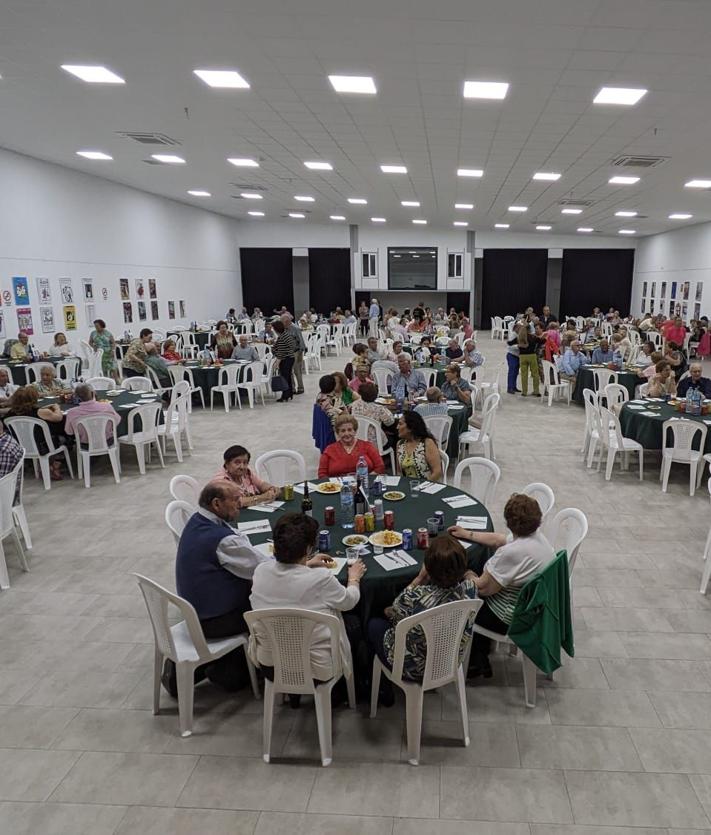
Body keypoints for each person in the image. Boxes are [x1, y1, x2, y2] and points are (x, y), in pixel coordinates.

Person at [170, 482, 272, 694]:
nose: (240, 505)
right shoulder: (222, 541)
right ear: (216, 503)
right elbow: (264, 569)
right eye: (235, 500)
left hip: (196, 608)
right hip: (214, 619)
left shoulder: (197, 520)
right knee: (273, 608)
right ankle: (265, 670)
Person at [250, 513, 365, 688]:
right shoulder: (321, 578)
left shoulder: (260, 571)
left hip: (270, 664)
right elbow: (349, 602)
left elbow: (288, 577)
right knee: (355, 624)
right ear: (309, 549)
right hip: (316, 669)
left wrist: (307, 563)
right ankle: (347, 687)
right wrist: (354, 578)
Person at [449, 493, 555, 678]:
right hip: (534, 608)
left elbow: (483, 588)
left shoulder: (512, 553)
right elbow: (499, 539)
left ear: (509, 522)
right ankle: (480, 654)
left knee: (460, 591)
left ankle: (471, 659)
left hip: (510, 618)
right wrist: (468, 534)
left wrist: (465, 573)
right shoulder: (537, 538)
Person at [367, 535, 478, 687]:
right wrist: (465, 572)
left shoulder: (414, 597)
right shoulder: (470, 590)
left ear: (429, 568)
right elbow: (472, 577)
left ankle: (376, 685)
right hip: (449, 660)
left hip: (414, 668)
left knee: (373, 622)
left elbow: (392, 613)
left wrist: (418, 579)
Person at [5, 386, 67, 479]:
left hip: (21, 446)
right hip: (42, 446)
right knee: (63, 437)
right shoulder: (41, 412)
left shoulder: (10, 414)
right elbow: (59, 418)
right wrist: (56, 408)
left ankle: (49, 465)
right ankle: (54, 463)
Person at [210, 444, 280, 507]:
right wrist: (262, 497)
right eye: (237, 462)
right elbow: (235, 502)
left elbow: (261, 484)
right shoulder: (220, 480)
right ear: (227, 464)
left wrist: (272, 489)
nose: (242, 467)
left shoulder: (247, 473)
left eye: (245, 462)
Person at [318, 414, 385, 477]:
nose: (347, 433)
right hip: (337, 487)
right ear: (338, 433)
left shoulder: (367, 446)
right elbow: (322, 474)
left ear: (355, 431)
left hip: (365, 484)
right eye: (343, 431)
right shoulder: (329, 450)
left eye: (350, 430)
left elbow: (380, 467)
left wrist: (366, 479)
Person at [396, 411, 442, 482]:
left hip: (427, 486)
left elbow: (437, 472)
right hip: (408, 486)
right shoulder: (400, 444)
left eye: (400, 424)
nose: (397, 427)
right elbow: (399, 472)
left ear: (410, 428)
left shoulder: (427, 443)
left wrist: (421, 487)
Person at [271, 320, 299, 403]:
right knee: (288, 376)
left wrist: (276, 364)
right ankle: (289, 393)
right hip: (290, 358)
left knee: (284, 377)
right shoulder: (287, 335)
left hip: (285, 359)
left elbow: (280, 353)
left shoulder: (282, 338)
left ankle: (285, 395)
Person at [282, 313, 306, 395]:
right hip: (287, 352)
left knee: (297, 370)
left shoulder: (296, 328)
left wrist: (301, 354)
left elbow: (301, 342)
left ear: (288, 321)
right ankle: (292, 388)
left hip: (296, 351)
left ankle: (301, 388)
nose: (282, 324)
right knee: (289, 371)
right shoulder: (284, 329)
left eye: (283, 322)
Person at [515, 322, 541, 396]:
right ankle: (536, 391)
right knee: (535, 374)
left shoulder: (519, 337)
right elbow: (541, 341)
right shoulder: (532, 337)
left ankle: (524, 392)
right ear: (530, 329)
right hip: (532, 355)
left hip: (522, 356)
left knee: (524, 375)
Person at [505, 324, 520, 394]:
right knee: (512, 371)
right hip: (512, 355)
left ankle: (514, 386)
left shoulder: (518, 335)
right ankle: (509, 387)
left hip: (517, 356)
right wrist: (519, 346)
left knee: (516, 372)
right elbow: (510, 346)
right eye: (519, 328)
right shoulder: (512, 335)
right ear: (515, 328)